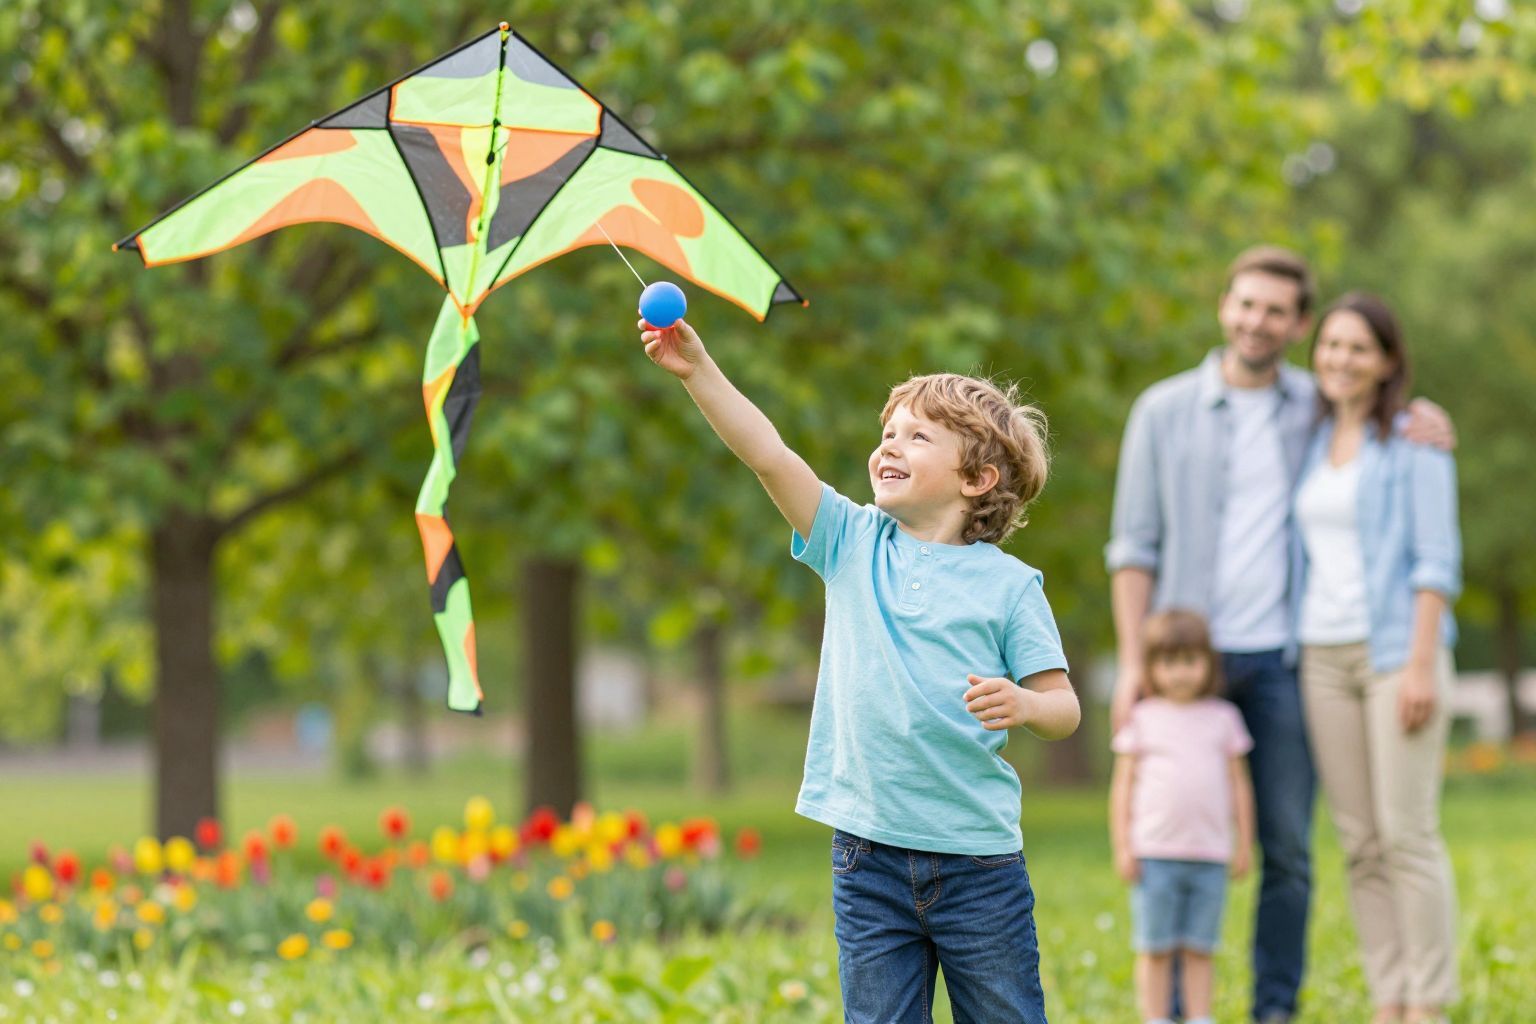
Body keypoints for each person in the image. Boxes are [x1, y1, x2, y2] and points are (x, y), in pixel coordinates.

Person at [638, 316, 1081, 1023]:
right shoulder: (850, 541)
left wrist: (1026, 706)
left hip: (978, 863)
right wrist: (699, 372)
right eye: (888, 433)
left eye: (917, 437)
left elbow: (1064, 708)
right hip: (867, 857)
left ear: (976, 479)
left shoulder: (1011, 586)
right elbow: (769, 455)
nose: (889, 446)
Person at [1106, 245, 1453, 1023]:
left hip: (1289, 661)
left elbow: (1384, 421)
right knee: (1168, 838)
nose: (1256, 321)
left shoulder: (1316, 406)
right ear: (1224, 306)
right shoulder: (1162, 411)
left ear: (1299, 324)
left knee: (1290, 850)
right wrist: (1132, 662)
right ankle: (1171, 1010)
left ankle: (1274, 1010)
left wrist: (1426, 418)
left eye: (1275, 310)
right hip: (1185, 666)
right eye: (1245, 304)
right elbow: (1133, 549)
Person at [1292, 293, 1460, 1024]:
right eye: (1331, 344)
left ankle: (1428, 1003)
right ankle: (1389, 1000)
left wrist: (1421, 666)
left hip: (1396, 654)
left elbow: (1436, 562)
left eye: (1359, 347)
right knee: (1360, 843)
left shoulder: (1415, 439)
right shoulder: (1309, 437)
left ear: (1388, 361)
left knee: (1406, 835)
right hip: (1321, 659)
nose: (1341, 359)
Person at [1111, 609, 1256, 1024]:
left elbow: (1239, 786)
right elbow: (1122, 789)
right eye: (1168, 662)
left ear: (1208, 663)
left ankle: (1199, 1015)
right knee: (1154, 947)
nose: (1180, 673)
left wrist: (1244, 844)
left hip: (1210, 855)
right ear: (1151, 666)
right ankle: (1156, 1016)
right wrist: (1123, 846)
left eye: (1190, 661)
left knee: (1200, 947)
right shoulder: (1142, 719)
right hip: (1154, 853)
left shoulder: (1224, 718)